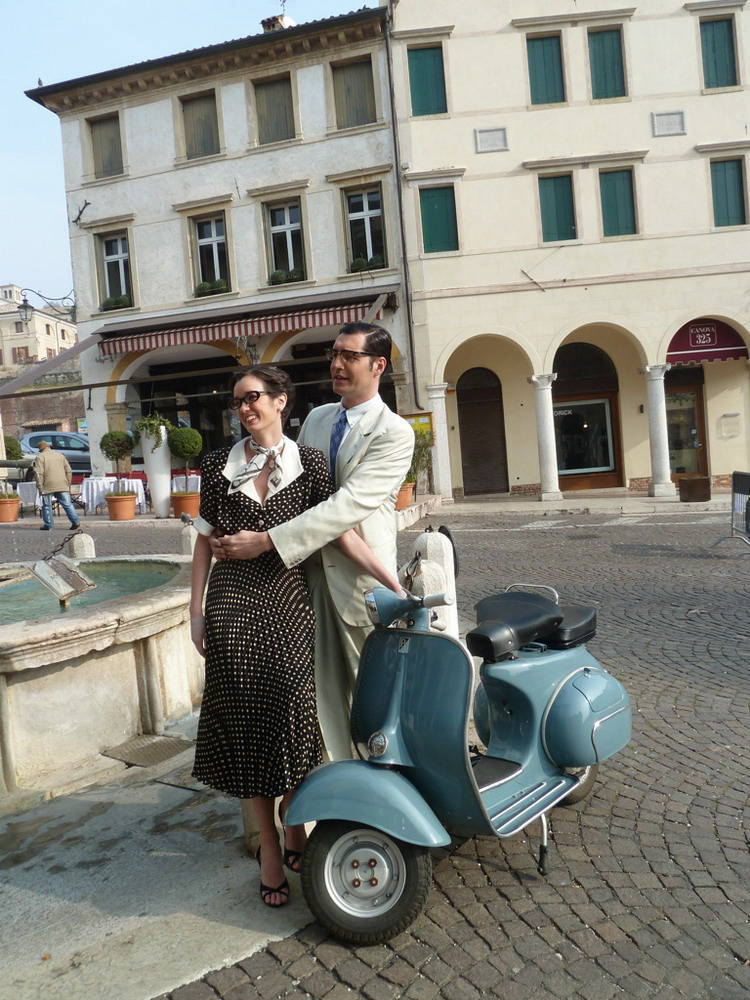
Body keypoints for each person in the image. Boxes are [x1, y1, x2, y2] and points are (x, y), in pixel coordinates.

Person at [190, 364, 404, 908]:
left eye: (253, 397)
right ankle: (269, 845)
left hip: (289, 600)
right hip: (232, 603)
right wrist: (195, 611)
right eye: (238, 401)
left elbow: (341, 532)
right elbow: (203, 541)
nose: (244, 408)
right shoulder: (216, 464)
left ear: (281, 401)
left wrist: (393, 582)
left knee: (293, 715)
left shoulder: (309, 463)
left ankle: (294, 822)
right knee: (247, 724)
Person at [209, 323, 414, 762]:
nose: (337, 364)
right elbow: (291, 487)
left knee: (372, 698)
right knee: (318, 700)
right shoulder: (319, 418)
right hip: (302, 581)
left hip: (358, 582)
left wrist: (265, 541)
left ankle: (388, 784)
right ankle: (337, 784)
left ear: (378, 365)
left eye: (350, 356)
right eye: (334, 354)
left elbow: (346, 507)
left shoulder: (394, 432)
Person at [33, 440, 81, 531]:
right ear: (49, 447)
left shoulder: (40, 457)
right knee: (67, 504)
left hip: (47, 484)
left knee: (47, 506)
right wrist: (68, 483)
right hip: (62, 483)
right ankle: (76, 521)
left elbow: (39, 474)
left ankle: (48, 525)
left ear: (41, 449)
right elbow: (68, 470)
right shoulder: (60, 455)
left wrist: (40, 487)